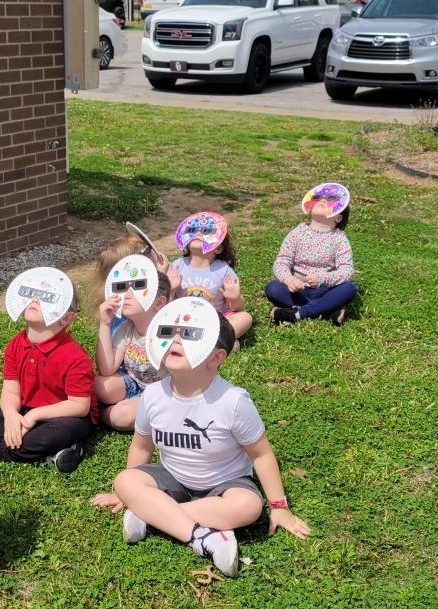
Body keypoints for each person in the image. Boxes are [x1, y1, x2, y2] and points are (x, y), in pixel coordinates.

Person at [111, 299, 310, 578]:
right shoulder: (152, 395)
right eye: (172, 332)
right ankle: (206, 537)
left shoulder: (233, 401)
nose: (176, 340)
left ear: (216, 358)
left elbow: (261, 454)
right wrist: (125, 493)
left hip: (225, 483)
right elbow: (141, 445)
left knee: (249, 506)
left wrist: (279, 506)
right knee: (124, 480)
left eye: (191, 335)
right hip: (174, 479)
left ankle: (154, 514)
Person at [0, 268, 97, 473]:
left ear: (66, 319)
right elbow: (11, 391)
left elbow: (79, 406)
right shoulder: (16, 344)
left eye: (48, 298)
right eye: (33, 294)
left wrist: (35, 414)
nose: (35, 299)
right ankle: (53, 453)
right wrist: (10, 415)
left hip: (65, 418)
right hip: (26, 412)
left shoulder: (75, 356)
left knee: (60, 432)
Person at [264, 182, 357, 326]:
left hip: (324, 290)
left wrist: (323, 278)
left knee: (349, 289)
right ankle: (326, 309)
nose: (323, 200)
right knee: (273, 288)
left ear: (338, 218)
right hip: (297, 291)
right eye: (319, 198)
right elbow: (282, 261)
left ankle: (297, 313)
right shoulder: (297, 232)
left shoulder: (339, 239)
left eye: (330, 200)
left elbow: (347, 270)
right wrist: (289, 280)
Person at [96, 269, 171, 431]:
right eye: (125, 289)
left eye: (137, 289)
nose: (126, 296)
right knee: (97, 385)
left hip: (161, 394)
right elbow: (107, 368)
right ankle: (107, 407)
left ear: (159, 303)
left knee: (121, 416)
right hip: (132, 382)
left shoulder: (167, 333)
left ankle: (99, 414)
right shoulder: (127, 327)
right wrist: (105, 324)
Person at [169, 211, 252, 344]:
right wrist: (170, 288)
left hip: (215, 321)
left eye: (207, 231)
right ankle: (220, 343)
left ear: (218, 249)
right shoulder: (176, 267)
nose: (198, 233)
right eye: (193, 229)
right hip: (182, 319)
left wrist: (234, 298)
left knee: (245, 318)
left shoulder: (224, 271)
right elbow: (166, 303)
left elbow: (238, 308)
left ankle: (210, 341)